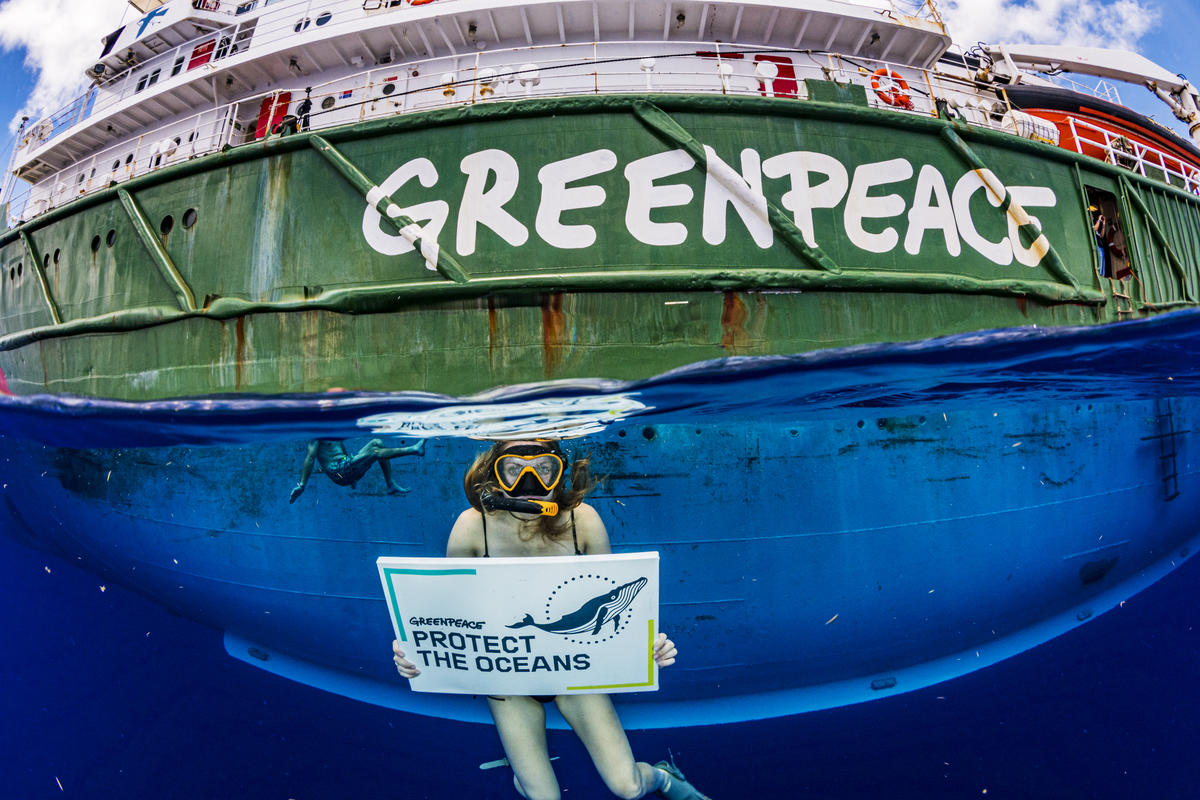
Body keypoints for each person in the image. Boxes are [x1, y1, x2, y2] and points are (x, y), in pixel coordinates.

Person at [392, 439, 709, 800]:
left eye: (544, 468)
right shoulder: (472, 525)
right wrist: (415, 646)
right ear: (495, 472)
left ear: (560, 472)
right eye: (515, 469)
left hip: (572, 668)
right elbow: (447, 613)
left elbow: (610, 597)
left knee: (628, 787)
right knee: (544, 797)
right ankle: (526, 777)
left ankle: (663, 778)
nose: (529, 480)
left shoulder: (582, 521)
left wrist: (646, 646)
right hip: (506, 676)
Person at [289, 438, 424, 502]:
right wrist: (302, 485)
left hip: (346, 468)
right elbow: (310, 458)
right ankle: (413, 449)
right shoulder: (316, 434)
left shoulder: (332, 428)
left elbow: (342, 452)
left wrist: (353, 475)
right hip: (337, 471)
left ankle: (390, 484)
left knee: (376, 443)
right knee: (375, 452)